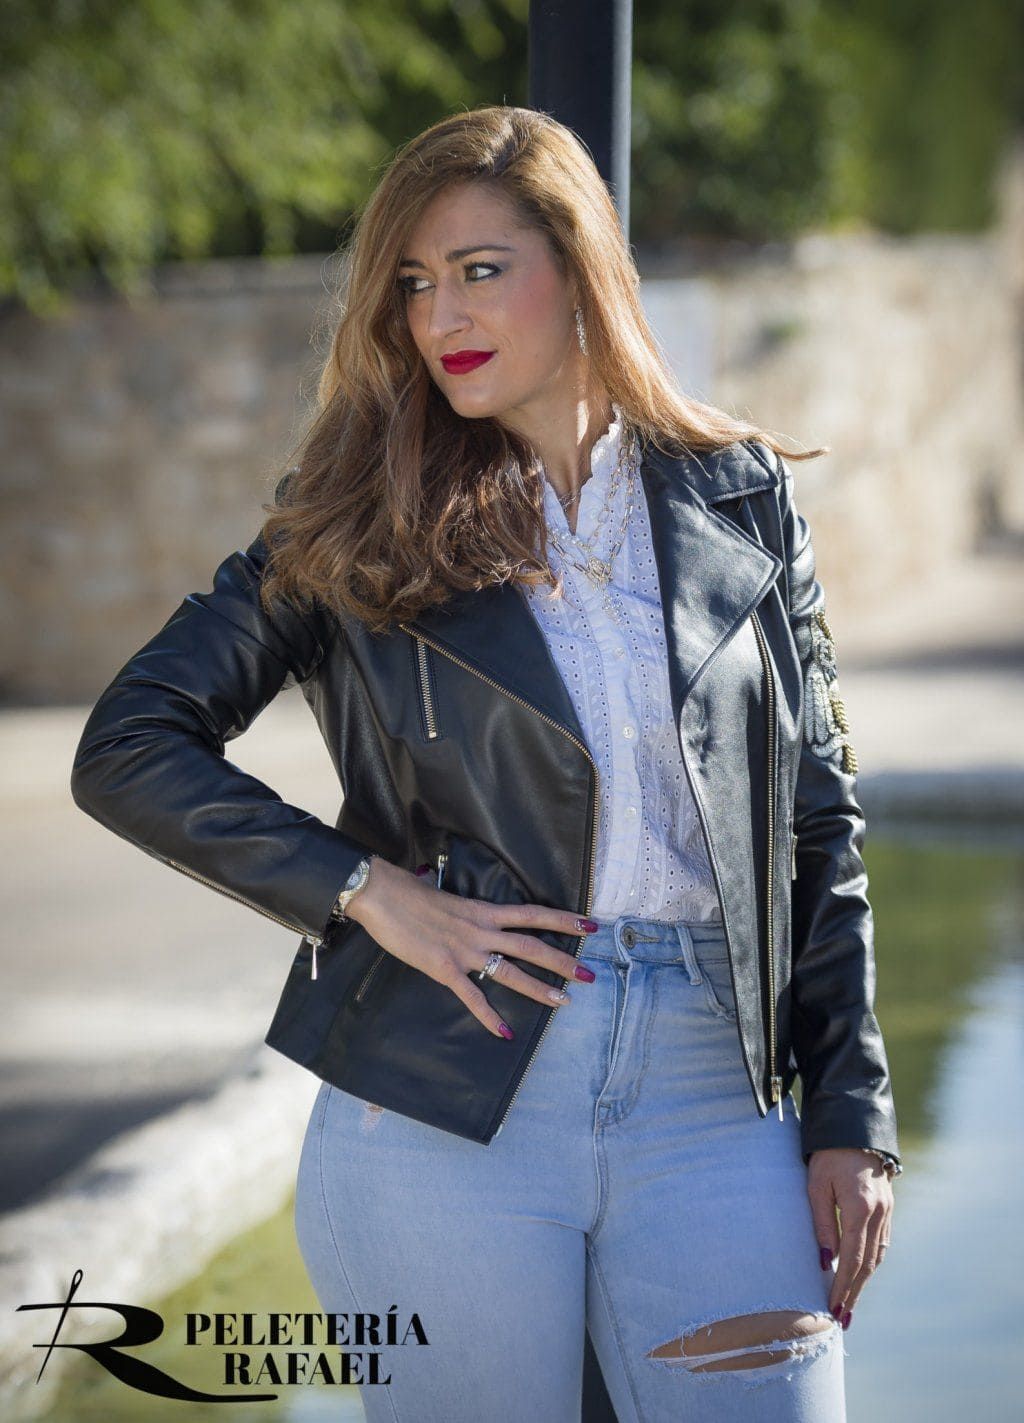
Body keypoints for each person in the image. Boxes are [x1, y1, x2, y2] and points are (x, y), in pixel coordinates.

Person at [70, 105, 901, 1422]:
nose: (436, 312)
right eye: (411, 281)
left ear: (578, 269)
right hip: (446, 1102)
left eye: (477, 269)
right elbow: (131, 745)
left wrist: (850, 1108)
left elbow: (815, 824)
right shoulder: (358, 514)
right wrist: (364, 892)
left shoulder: (739, 493)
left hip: (711, 1090)